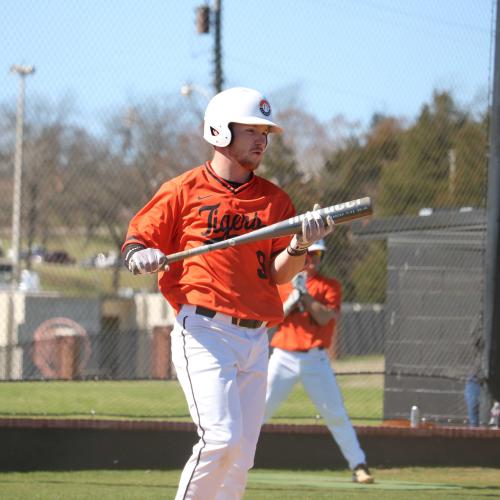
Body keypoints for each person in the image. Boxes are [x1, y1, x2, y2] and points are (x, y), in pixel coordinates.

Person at [121, 87, 334, 500]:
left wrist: (300, 245)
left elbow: (279, 273)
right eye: (251, 130)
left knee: (240, 456)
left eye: (265, 133)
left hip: (256, 338)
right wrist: (140, 256)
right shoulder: (182, 190)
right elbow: (137, 242)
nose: (261, 140)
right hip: (205, 331)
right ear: (220, 131)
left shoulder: (275, 200)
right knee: (220, 438)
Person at [264, 239, 374, 484]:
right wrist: (293, 297)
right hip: (283, 356)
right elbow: (274, 317)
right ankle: (231, 461)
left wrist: (306, 296)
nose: (311, 260)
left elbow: (325, 318)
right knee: (258, 410)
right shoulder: (283, 282)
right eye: (308, 254)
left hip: (315, 358)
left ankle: (359, 465)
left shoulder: (329, 285)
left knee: (335, 413)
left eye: (316, 256)